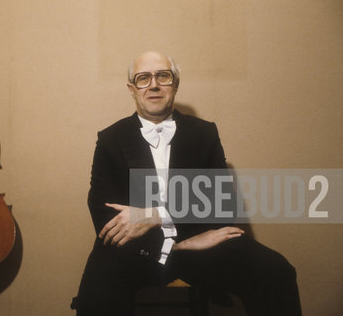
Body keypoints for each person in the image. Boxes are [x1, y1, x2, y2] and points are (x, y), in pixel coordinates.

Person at [74, 51, 302, 316]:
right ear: (131, 89)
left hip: (202, 249)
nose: (154, 84)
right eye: (143, 78)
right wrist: (178, 246)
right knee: (97, 298)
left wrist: (156, 215)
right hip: (136, 253)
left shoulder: (204, 133)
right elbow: (103, 214)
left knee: (275, 271)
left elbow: (221, 201)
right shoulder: (110, 139)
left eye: (163, 76)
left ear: (176, 84)